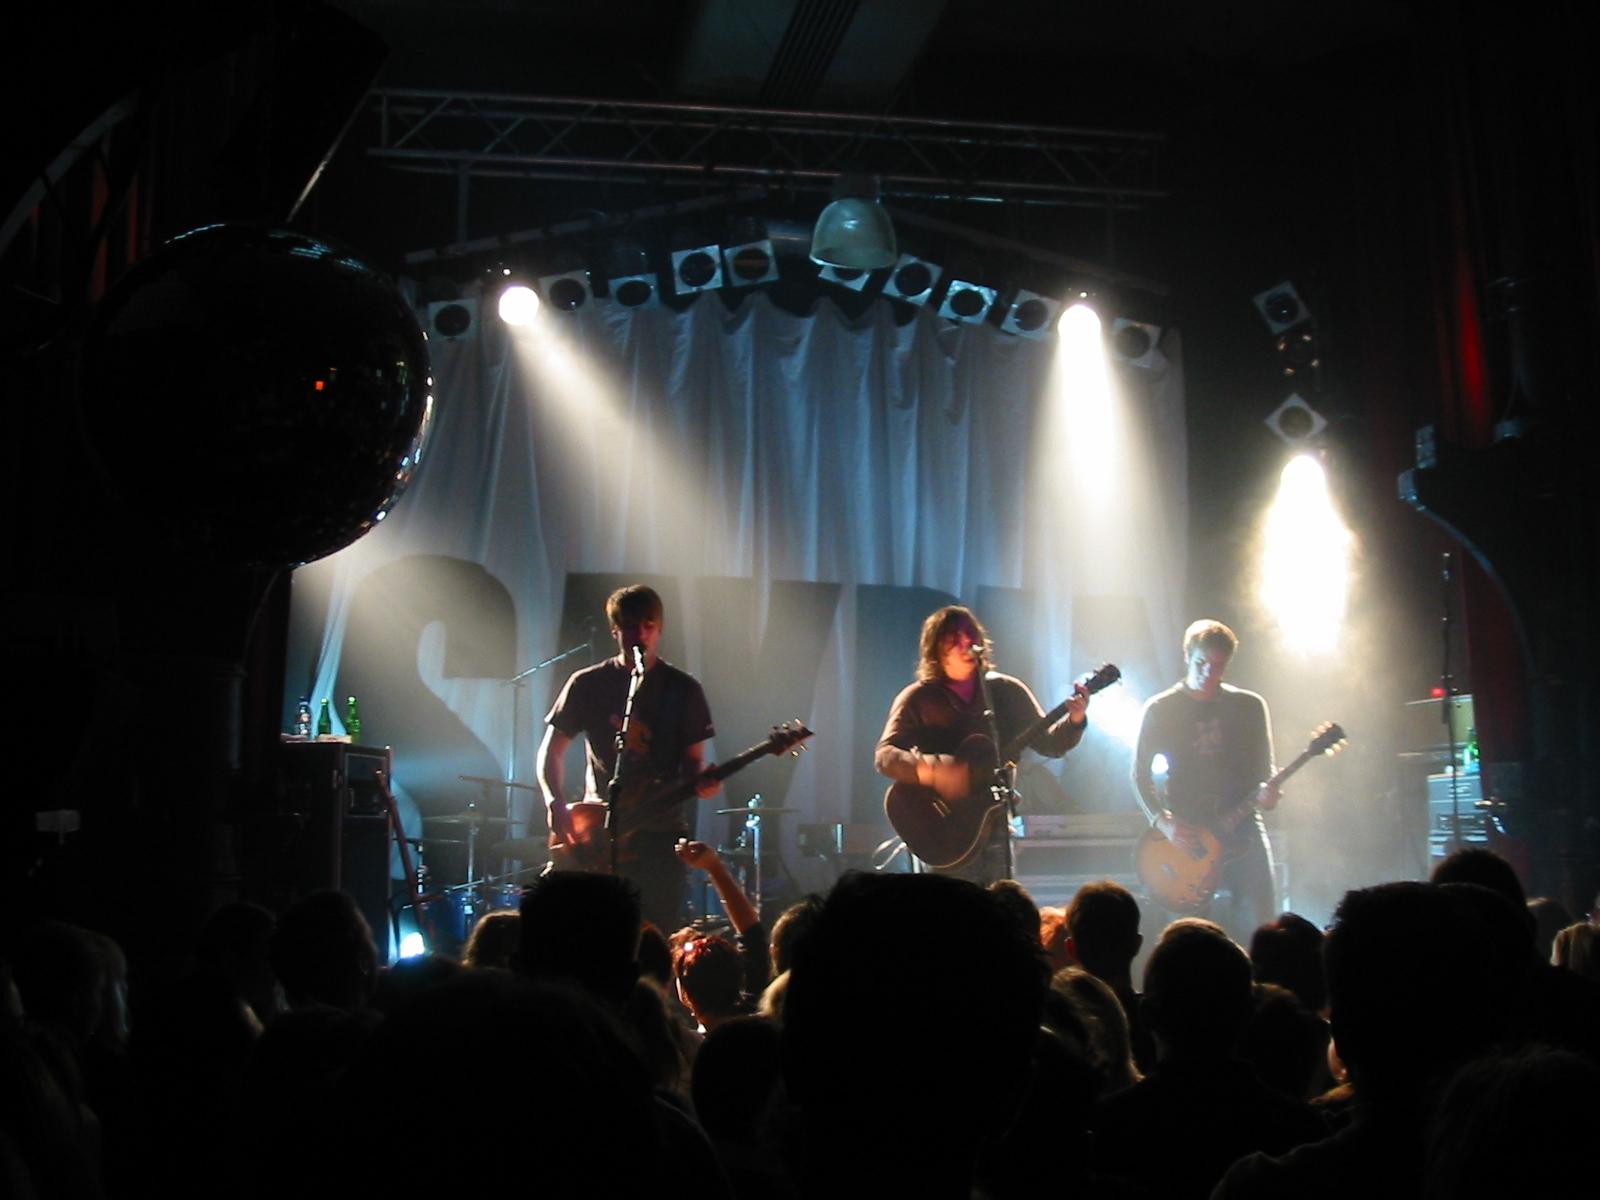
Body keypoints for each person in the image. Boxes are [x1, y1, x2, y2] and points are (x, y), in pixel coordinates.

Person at [538, 585, 720, 932]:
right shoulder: (587, 683)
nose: (640, 634)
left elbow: (693, 765)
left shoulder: (684, 689)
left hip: (660, 833)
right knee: (594, 933)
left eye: (649, 625)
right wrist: (554, 801)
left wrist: (704, 783)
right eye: (631, 626)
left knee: (657, 933)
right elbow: (551, 751)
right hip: (599, 830)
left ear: (660, 629)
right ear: (615, 630)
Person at [875, 605, 1089, 881]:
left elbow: (1051, 744)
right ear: (936, 648)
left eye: (971, 635)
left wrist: (1075, 720)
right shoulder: (919, 698)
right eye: (954, 638)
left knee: (998, 904)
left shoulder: (1007, 692)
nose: (966, 643)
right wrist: (933, 770)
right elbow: (885, 755)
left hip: (996, 826)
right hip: (943, 832)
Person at [1131, 619, 1278, 939]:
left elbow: (1264, 774)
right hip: (1187, 834)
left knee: (1264, 926)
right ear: (1187, 656)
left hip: (1242, 826)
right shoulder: (1161, 709)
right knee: (1186, 936)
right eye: (1201, 663)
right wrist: (1163, 822)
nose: (1209, 673)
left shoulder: (1249, 706)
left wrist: (1268, 797)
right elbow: (1139, 776)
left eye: (1218, 666)